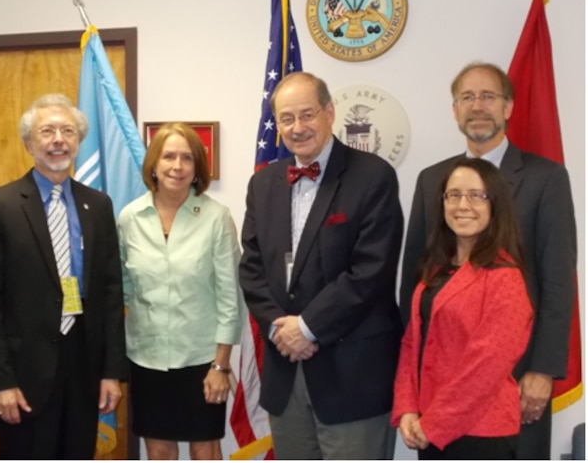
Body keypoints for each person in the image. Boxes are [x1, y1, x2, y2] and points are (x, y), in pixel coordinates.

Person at [399, 62, 577, 459]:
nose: (477, 106)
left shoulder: (546, 178)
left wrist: (544, 369)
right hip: (439, 383)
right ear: (455, 110)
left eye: (488, 96)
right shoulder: (432, 179)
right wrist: (409, 384)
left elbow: (559, 280)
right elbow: (415, 277)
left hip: (516, 374)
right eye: (467, 97)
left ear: (508, 107)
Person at [238, 71, 404, 459]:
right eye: (287, 119)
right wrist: (282, 329)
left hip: (352, 374)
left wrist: (308, 329)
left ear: (330, 112)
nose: (298, 128)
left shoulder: (374, 176)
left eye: (307, 114)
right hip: (286, 369)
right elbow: (252, 269)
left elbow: (371, 272)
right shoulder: (262, 184)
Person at [0, 93, 126, 459]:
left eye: (67, 131)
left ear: (78, 141)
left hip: (84, 370)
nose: (59, 140)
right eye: (48, 131)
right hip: (23, 375)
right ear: (29, 143)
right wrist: (0, 381)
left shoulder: (98, 205)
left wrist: (111, 372)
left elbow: (110, 292)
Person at [393, 158, 533, 459]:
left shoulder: (506, 278)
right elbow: (411, 343)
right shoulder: (437, 271)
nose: (462, 205)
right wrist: (407, 408)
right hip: (430, 427)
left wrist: (435, 424)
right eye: (453, 195)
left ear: (495, 205)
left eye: (476, 195)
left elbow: (486, 366)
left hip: (481, 433)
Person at [118, 122, 241, 460]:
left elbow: (230, 296)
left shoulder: (216, 217)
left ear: (197, 166)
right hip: (147, 358)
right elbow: (124, 287)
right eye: (168, 156)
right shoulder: (130, 218)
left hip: (201, 359)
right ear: (153, 165)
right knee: (158, 450)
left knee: (205, 449)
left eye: (187, 158)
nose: (177, 166)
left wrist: (221, 366)